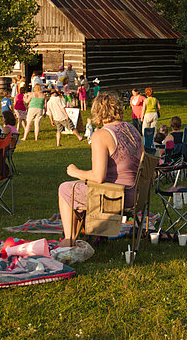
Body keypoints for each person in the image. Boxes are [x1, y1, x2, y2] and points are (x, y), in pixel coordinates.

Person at [57, 93, 143, 246]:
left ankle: (69, 240)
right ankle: (89, 235)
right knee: (79, 189)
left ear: (97, 111)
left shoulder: (101, 135)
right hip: (137, 194)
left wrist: (75, 171)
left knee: (65, 189)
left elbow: (98, 177)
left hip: (115, 196)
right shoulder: (133, 131)